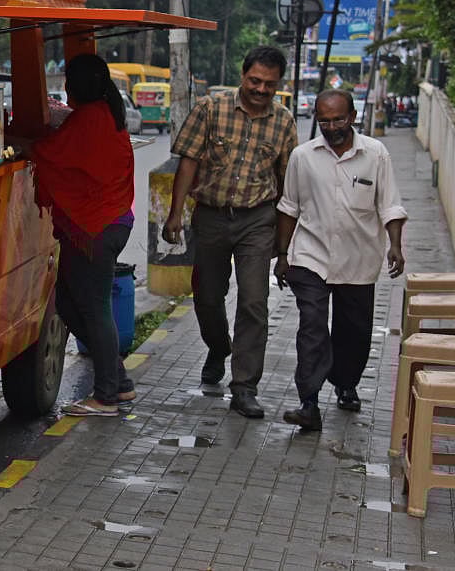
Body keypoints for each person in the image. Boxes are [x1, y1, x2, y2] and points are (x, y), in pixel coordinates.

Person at [162, 45, 297, 419]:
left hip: (258, 219)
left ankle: (245, 387)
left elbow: (288, 183)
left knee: (254, 301)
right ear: (243, 75)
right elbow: (187, 161)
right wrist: (175, 214)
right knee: (207, 296)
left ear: (278, 85)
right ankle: (219, 347)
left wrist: (285, 245)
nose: (261, 89)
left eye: (269, 84)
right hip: (211, 216)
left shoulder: (284, 122)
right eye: (255, 80)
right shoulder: (211, 108)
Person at [274, 89, 407, 431]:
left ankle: (346, 384)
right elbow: (289, 208)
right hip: (311, 257)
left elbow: (389, 205)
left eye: (337, 119)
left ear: (352, 117)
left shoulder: (376, 155)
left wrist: (395, 245)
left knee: (354, 332)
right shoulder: (303, 157)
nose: (331, 127)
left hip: (358, 260)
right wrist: (283, 254)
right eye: (324, 120)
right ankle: (309, 402)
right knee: (312, 328)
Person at [23, 54, 136, 417]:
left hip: (96, 228)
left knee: (94, 307)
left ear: (79, 84)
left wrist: (6, 137)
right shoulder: (107, 113)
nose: (66, 88)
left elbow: (50, 152)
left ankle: (105, 396)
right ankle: (118, 381)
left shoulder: (90, 117)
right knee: (70, 304)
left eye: (69, 81)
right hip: (106, 224)